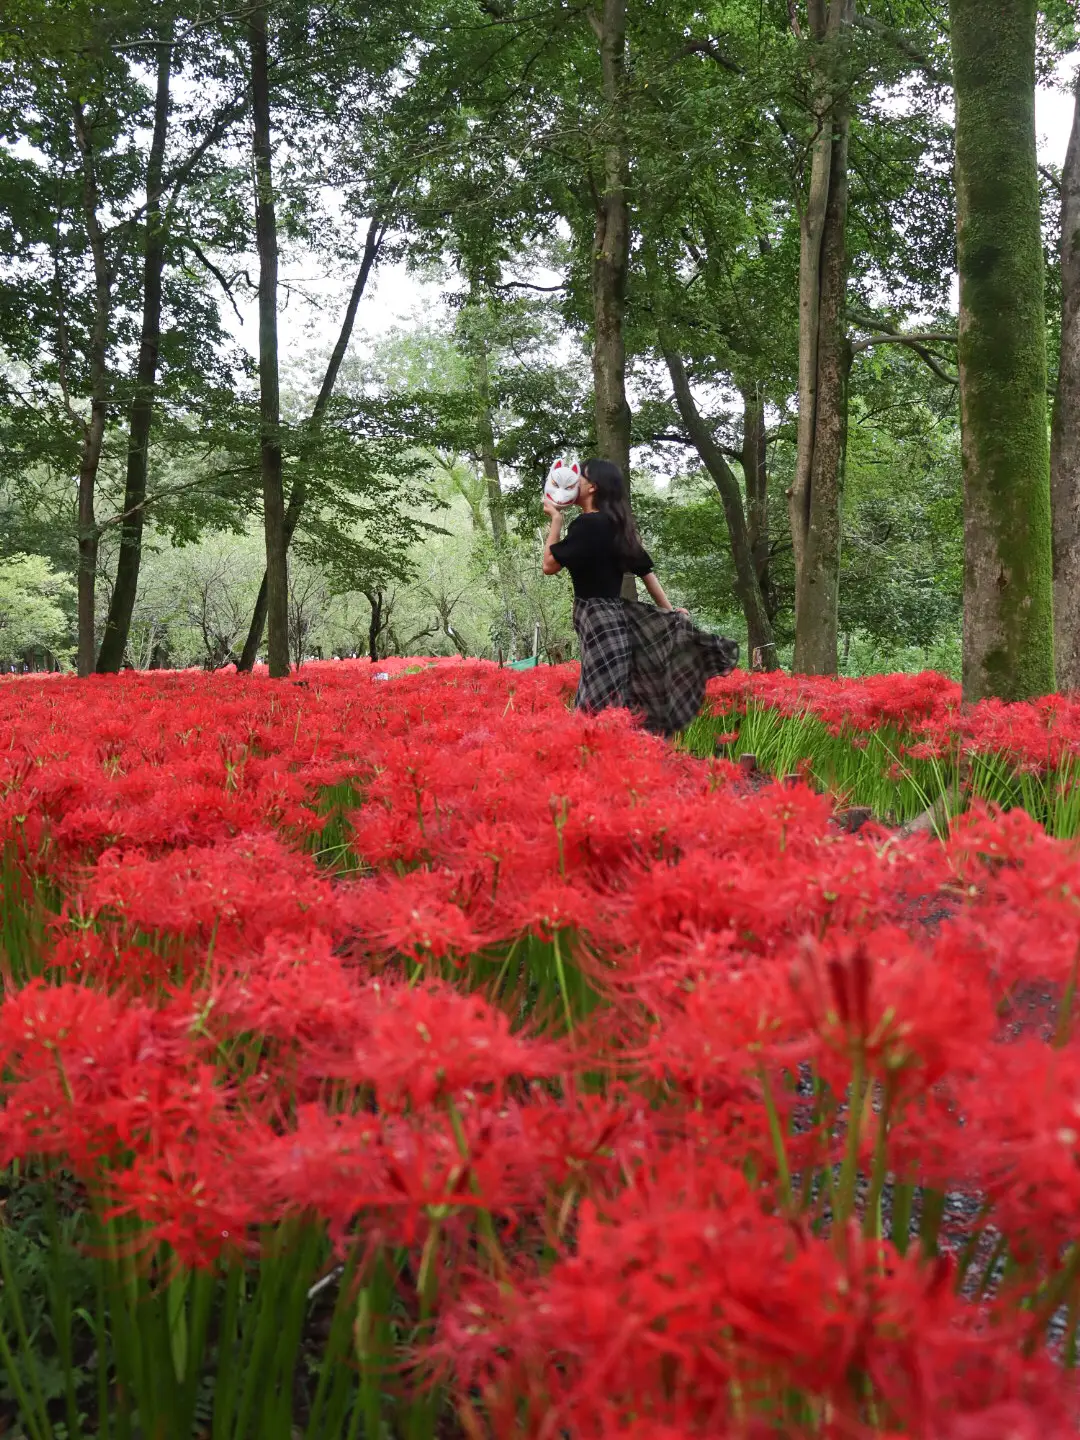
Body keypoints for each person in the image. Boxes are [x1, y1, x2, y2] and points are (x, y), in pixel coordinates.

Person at [543, 458, 738, 737]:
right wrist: (670, 612)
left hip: (599, 624)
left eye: (580, 477)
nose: (573, 481)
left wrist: (556, 519)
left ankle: (600, 767)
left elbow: (549, 565)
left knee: (597, 706)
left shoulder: (587, 526)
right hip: (614, 622)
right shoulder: (616, 526)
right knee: (608, 702)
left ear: (592, 488)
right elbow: (646, 572)